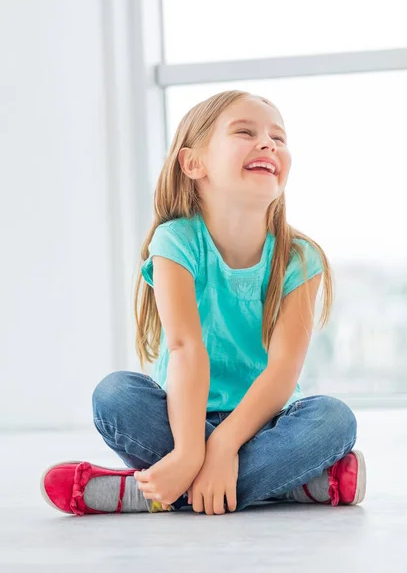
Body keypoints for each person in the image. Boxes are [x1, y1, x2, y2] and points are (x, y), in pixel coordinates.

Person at [40, 90, 366, 517]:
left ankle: (150, 493)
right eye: (245, 132)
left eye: (278, 138)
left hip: (263, 425)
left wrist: (224, 445)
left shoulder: (300, 258)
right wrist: (194, 450)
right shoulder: (175, 241)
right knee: (115, 395)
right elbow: (185, 349)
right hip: (181, 424)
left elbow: (283, 372)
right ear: (194, 163)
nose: (268, 143)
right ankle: (289, 487)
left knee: (334, 420)